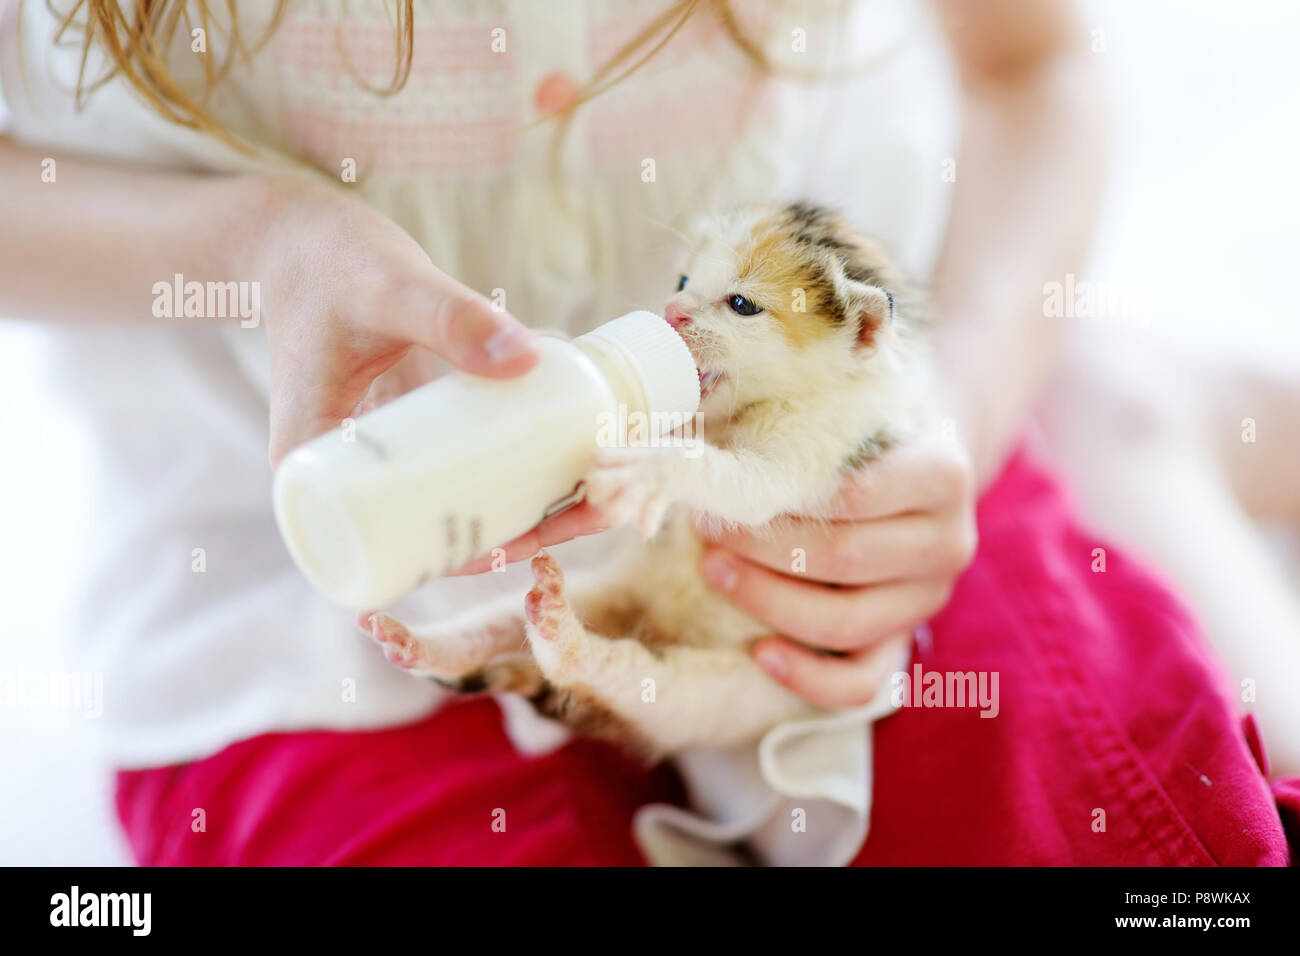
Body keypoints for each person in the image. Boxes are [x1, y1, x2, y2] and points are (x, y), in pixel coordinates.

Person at [2, 0, 1293, 864]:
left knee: (1124, 829)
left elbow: (1033, 67)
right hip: (286, 602)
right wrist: (244, 244)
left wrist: (959, 401)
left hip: (848, 493)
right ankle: (1126, 412)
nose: (674, 316)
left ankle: (1113, 404)